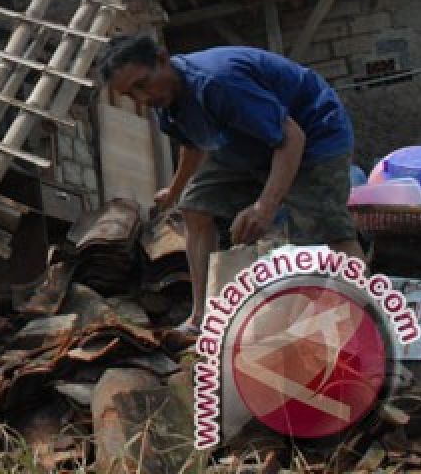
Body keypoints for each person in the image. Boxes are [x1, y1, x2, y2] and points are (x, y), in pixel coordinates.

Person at [98, 34, 363, 333]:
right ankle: (202, 318)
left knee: (327, 230)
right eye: (131, 95)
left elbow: (291, 138)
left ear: (162, 59)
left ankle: (370, 328)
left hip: (314, 135)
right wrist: (174, 191)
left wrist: (264, 206)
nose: (142, 99)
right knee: (195, 208)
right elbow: (192, 144)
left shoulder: (217, 82)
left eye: (142, 84)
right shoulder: (165, 99)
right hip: (249, 144)